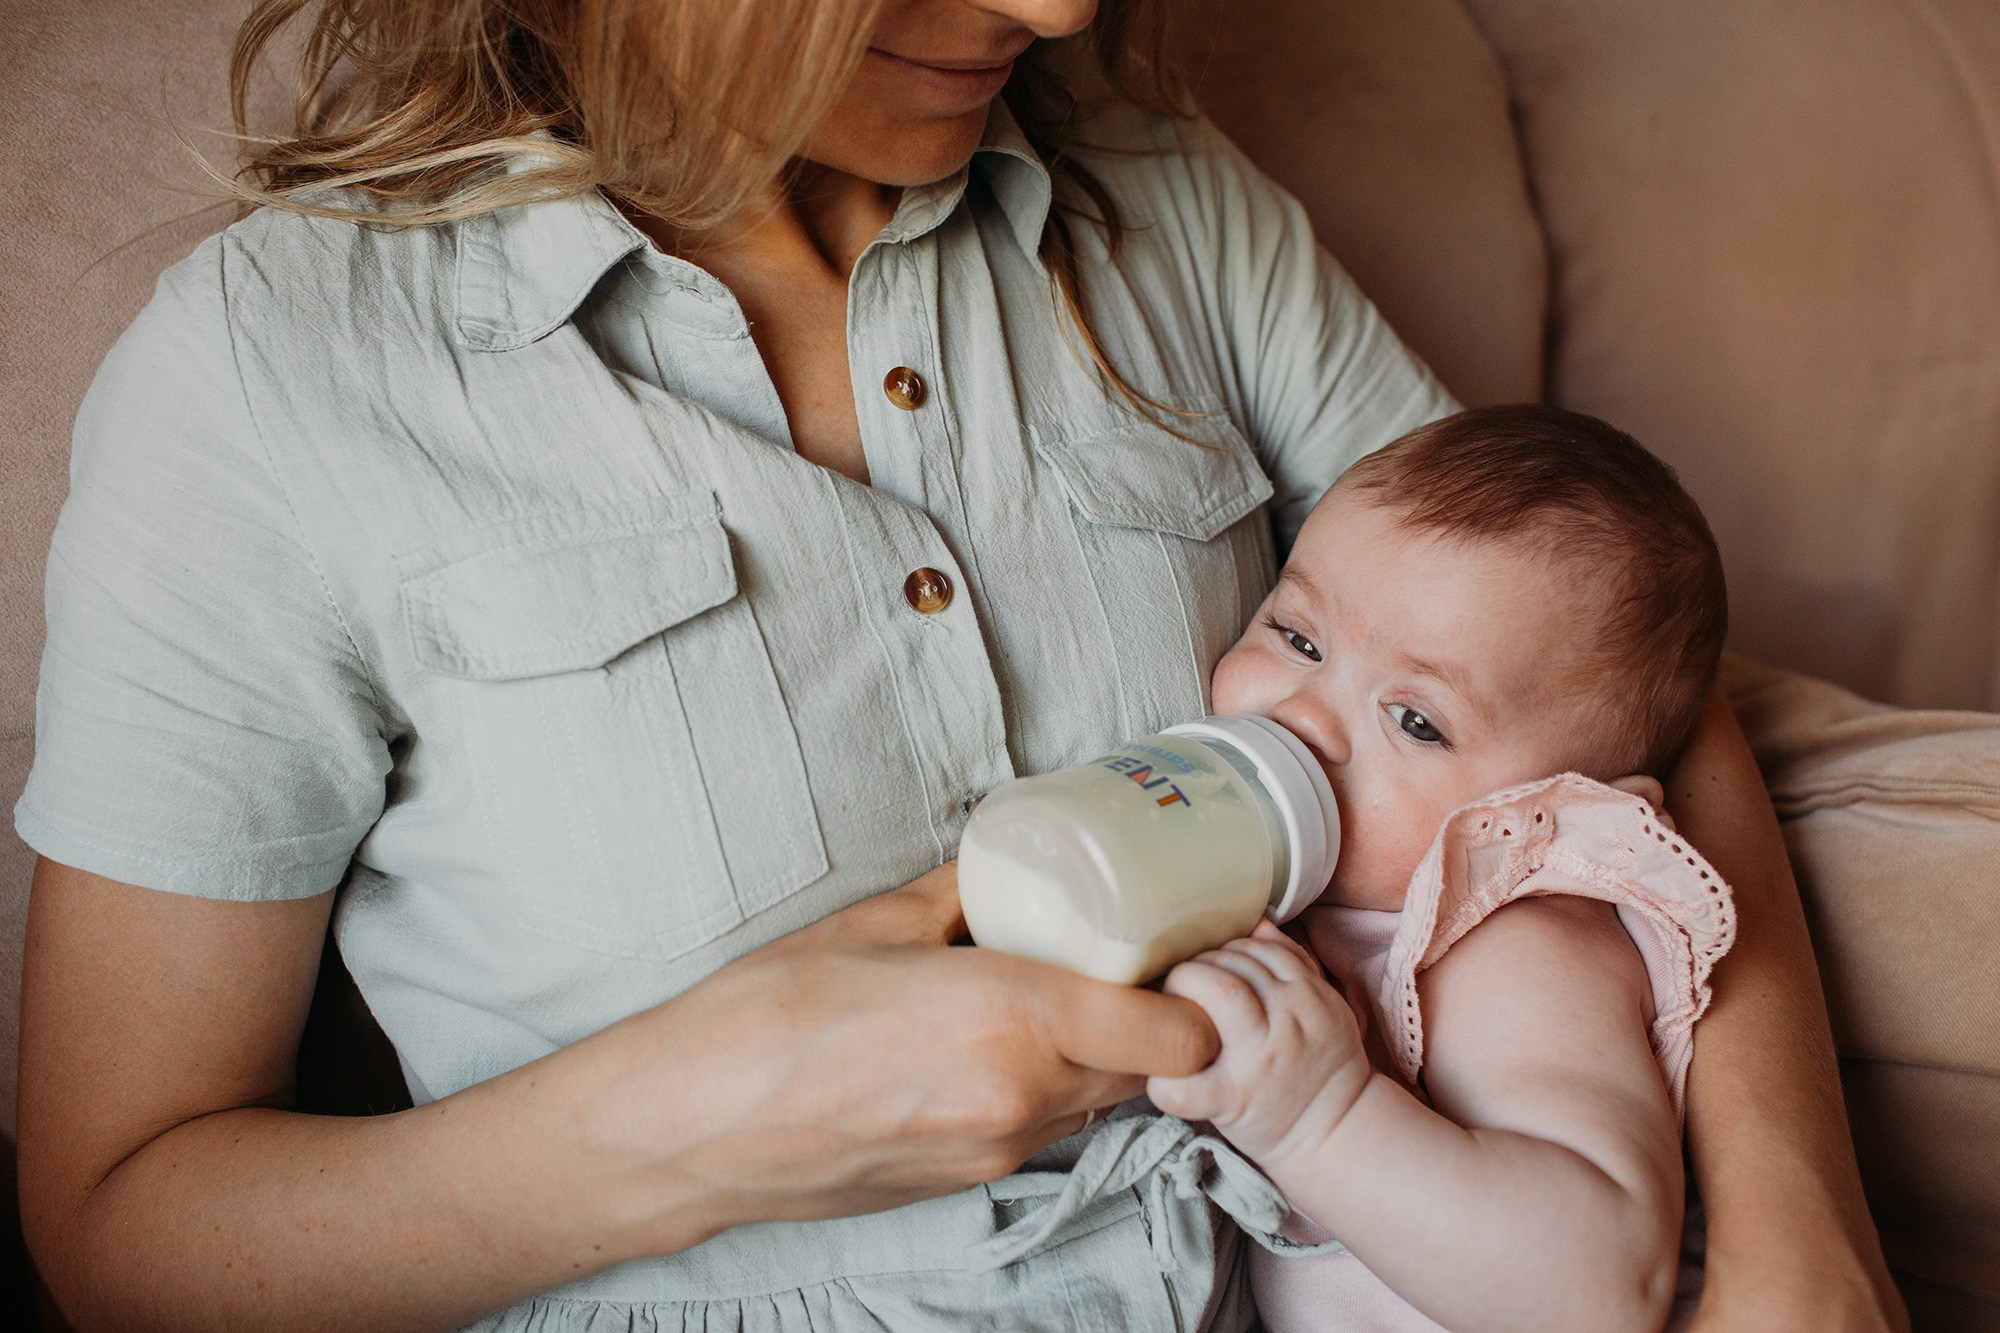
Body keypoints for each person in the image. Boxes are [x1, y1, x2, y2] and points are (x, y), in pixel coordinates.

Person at [12, 1, 1895, 1329]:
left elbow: (1590, 682)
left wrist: (1810, 1242)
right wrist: (679, 1127)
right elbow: (121, 1225)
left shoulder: (1162, 204)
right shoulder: (272, 378)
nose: (1053, 9)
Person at [1148, 404, 1734, 1330]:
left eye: (1417, 720)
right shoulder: (1329, 890)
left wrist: (1323, 1116)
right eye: (1298, 638)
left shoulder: (1518, 939)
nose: (1306, 719)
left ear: (1557, 803)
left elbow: (1599, 1288)